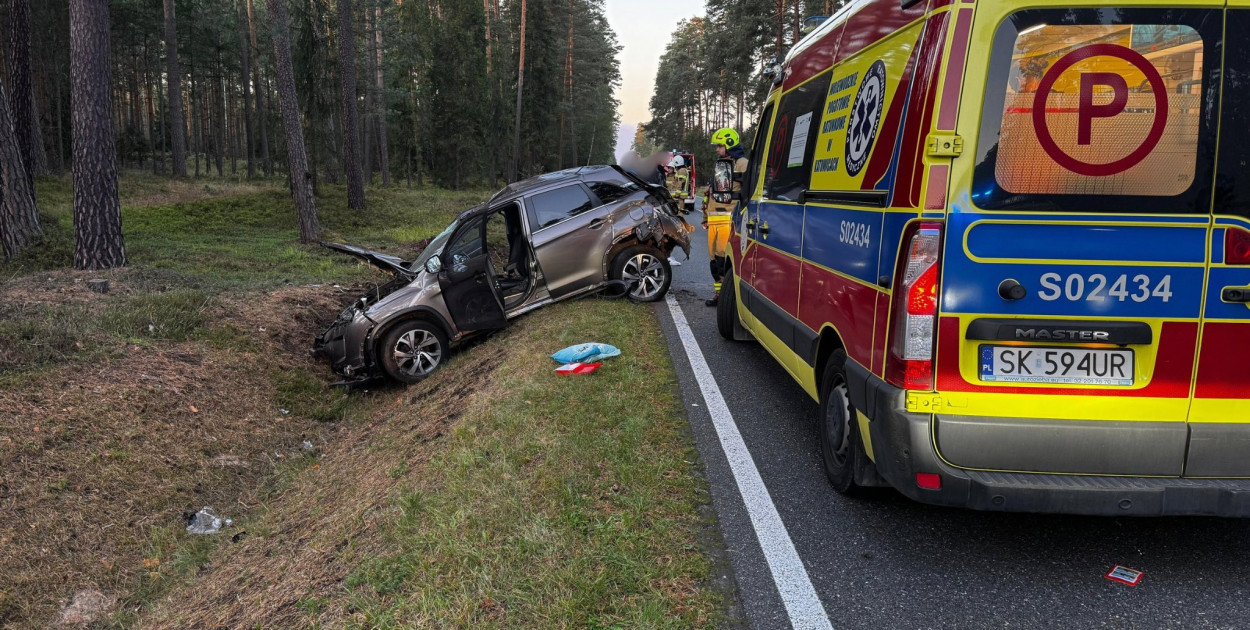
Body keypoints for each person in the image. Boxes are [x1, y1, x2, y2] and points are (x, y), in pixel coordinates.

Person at [704, 128, 748, 306]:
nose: (717, 149)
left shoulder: (742, 163)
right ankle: (719, 294)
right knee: (714, 261)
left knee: (723, 259)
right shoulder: (722, 163)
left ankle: (727, 297)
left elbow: (747, 191)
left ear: (729, 144)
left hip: (727, 217)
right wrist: (706, 216)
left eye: (719, 145)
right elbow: (713, 192)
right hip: (714, 217)